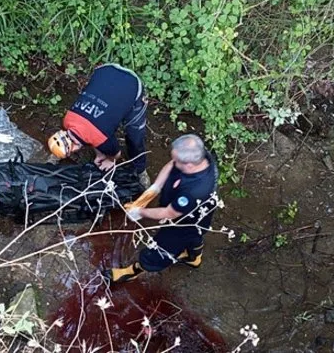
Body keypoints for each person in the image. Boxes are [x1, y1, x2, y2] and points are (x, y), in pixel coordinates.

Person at [102, 134, 220, 283]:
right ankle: (194, 257)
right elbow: (171, 165)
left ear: (189, 165)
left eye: (177, 161)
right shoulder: (201, 157)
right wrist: (154, 189)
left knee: (160, 250)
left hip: (183, 223)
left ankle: (132, 271)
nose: (173, 162)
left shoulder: (195, 190)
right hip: (198, 214)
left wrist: (139, 212)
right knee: (196, 235)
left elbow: (169, 213)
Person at [47, 63, 150, 187]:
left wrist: (110, 160)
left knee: (135, 136)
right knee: (103, 123)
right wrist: (100, 154)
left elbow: (116, 154)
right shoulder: (68, 119)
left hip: (132, 85)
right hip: (104, 71)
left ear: (74, 148)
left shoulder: (101, 137)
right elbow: (91, 133)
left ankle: (140, 170)